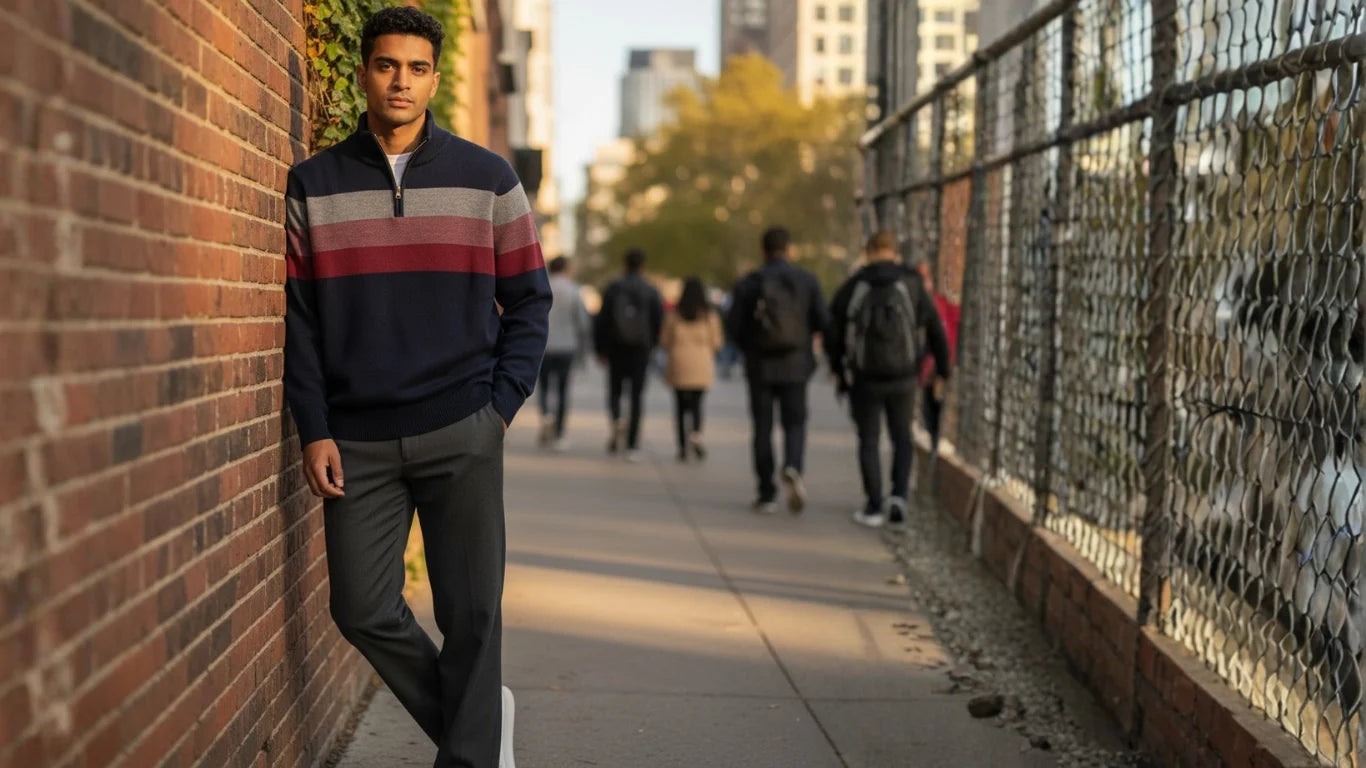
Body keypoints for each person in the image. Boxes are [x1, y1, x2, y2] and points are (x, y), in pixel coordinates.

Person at [281, 8, 549, 767]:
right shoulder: (314, 184)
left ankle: (470, 755)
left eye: (417, 68)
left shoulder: (488, 178)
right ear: (365, 70)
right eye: (387, 65)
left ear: (435, 77)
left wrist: (497, 410)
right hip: (356, 439)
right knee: (360, 606)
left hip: (463, 425)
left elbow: (530, 300)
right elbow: (301, 323)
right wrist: (314, 427)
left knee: (471, 615)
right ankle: (480, 726)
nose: (401, 81)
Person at [825, 232, 949, 529]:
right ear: (895, 252)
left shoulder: (855, 284)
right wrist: (942, 369)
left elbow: (833, 329)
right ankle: (898, 497)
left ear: (868, 252)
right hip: (904, 375)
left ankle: (873, 506)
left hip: (864, 377)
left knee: (868, 439)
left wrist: (839, 370)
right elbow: (934, 328)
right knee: (901, 436)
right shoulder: (912, 282)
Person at [727, 227, 829, 515]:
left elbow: (733, 327)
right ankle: (793, 465)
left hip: (760, 366)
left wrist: (751, 345)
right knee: (795, 422)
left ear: (763, 250)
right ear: (790, 249)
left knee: (762, 426)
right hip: (796, 366)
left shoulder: (749, 283)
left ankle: (766, 492)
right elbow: (823, 321)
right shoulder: (806, 281)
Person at [593, 248, 664, 461]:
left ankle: (616, 421)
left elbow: (601, 321)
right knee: (636, 395)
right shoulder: (651, 291)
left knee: (615, 390)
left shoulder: (613, 288)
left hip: (616, 348)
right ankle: (632, 444)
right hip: (641, 350)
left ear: (625, 264)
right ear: (643, 265)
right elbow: (658, 322)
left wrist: (600, 349)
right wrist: (653, 346)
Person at [661, 277, 724, 462]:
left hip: (679, 363)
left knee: (680, 406)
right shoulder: (709, 316)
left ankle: (682, 446)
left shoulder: (674, 315)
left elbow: (664, 341)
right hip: (701, 364)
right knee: (697, 404)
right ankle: (696, 434)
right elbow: (717, 342)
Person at [540, 256, 591, 450]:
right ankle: (559, 434)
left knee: (544, 387)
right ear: (566, 268)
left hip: (544, 346)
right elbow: (583, 323)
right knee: (562, 390)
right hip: (566, 347)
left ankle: (546, 415)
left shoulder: (542, 286)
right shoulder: (573, 290)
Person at [913, 260, 960, 454]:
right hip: (920, 371)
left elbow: (947, 336)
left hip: (936, 370)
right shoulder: (911, 304)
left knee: (937, 413)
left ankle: (935, 446)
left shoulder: (940, 305)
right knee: (928, 415)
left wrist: (942, 367)